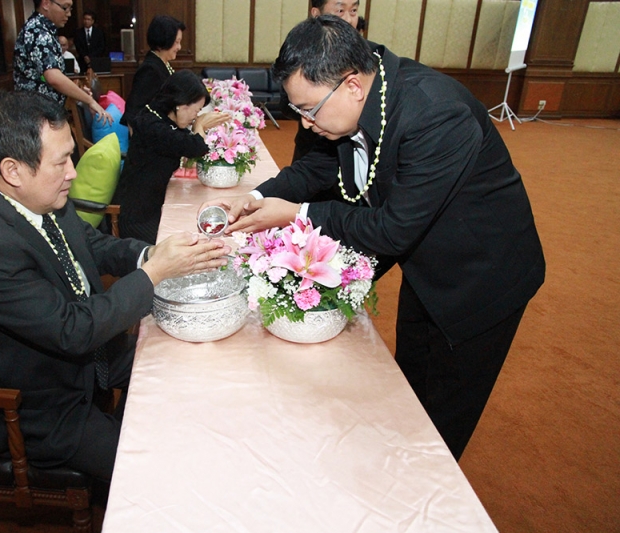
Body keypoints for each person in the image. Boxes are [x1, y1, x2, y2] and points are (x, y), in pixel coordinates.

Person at [201, 16, 545, 460]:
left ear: (352, 86)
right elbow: (319, 168)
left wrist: (297, 213)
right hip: (426, 265)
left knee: (442, 415)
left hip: (481, 277)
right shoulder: (363, 91)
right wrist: (256, 196)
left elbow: (393, 228)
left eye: (308, 109)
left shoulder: (436, 115)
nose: (304, 125)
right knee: (408, 385)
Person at [0, 90, 229, 481]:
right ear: (13, 170)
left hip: (90, 357)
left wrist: (151, 254)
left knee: (193, 368)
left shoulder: (39, 196)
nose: (73, 173)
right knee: (154, 470)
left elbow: (93, 245)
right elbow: (72, 330)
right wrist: (155, 273)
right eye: (61, 162)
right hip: (38, 404)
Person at [112, 70, 229, 244]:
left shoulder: (157, 116)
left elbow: (181, 140)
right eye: (196, 111)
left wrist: (197, 125)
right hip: (139, 216)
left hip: (153, 202)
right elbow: (195, 147)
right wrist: (200, 125)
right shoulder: (153, 126)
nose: (195, 116)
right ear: (181, 105)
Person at [13, 0, 111, 125]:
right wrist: (90, 101)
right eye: (65, 8)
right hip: (37, 116)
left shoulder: (43, 29)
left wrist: (77, 91)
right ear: (46, 4)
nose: (69, 14)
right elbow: (53, 77)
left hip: (44, 113)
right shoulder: (38, 32)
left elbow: (43, 75)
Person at [290, 0, 362, 163]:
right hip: (313, 151)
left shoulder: (368, 57)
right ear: (316, 14)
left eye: (353, 11)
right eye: (340, 11)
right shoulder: (301, 52)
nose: (349, 20)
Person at [120, 15, 185, 128]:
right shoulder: (150, 70)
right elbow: (133, 112)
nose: (179, 47)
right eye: (176, 42)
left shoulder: (162, 62)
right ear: (163, 41)